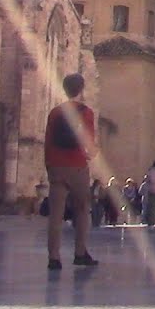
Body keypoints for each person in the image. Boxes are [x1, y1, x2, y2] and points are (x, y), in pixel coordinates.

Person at [44, 72, 99, 270]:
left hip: (56, 166)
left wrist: (49, 165)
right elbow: (89, 142)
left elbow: (48, 141)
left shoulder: (55, 113)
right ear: (81, 89)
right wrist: (92, 155)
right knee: (82, 210)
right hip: (77, 166)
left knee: (55, 214)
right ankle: (80, 252)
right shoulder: (86, 112)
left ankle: (54, 257)